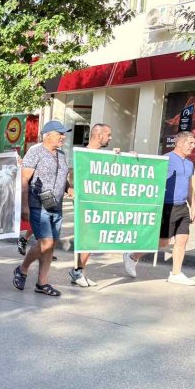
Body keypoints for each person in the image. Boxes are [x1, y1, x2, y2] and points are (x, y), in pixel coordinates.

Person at [123, 131, 195, 286]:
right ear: (180, 143)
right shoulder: (166, 159)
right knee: (163, 242)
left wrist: (194, 206)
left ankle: (176, 274)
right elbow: (146, 172)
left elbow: (189, 186)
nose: (193, 146)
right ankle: (132, 256)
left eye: (194, 143)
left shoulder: (190, 163)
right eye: (190, 143)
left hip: (182, 207)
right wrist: (134, 158)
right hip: (166, 206)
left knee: (182, 240)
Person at [12, 121, 71, 297]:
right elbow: (24, 179)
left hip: (56, 206)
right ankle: (22, 269)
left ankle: (42, 283)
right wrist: (25, 206)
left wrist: (69, 188)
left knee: (51, 246)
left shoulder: (61, 154)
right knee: (46, 242)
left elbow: (63, 178)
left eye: (64, 134)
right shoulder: (35, 151)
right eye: (60, 134)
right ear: (47, 135)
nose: (63, 137)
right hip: (38, 205)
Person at [69, 123, 115, 287]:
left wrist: (124, 157)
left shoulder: (104, 156)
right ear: (99, 135)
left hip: (99, 204)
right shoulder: (82, 154)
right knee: (88, 237)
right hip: (86, 203)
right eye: (108, 135)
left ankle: (79, 271)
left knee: (91, 239)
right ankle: (77, 271)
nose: (110, 138)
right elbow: (73, 178)